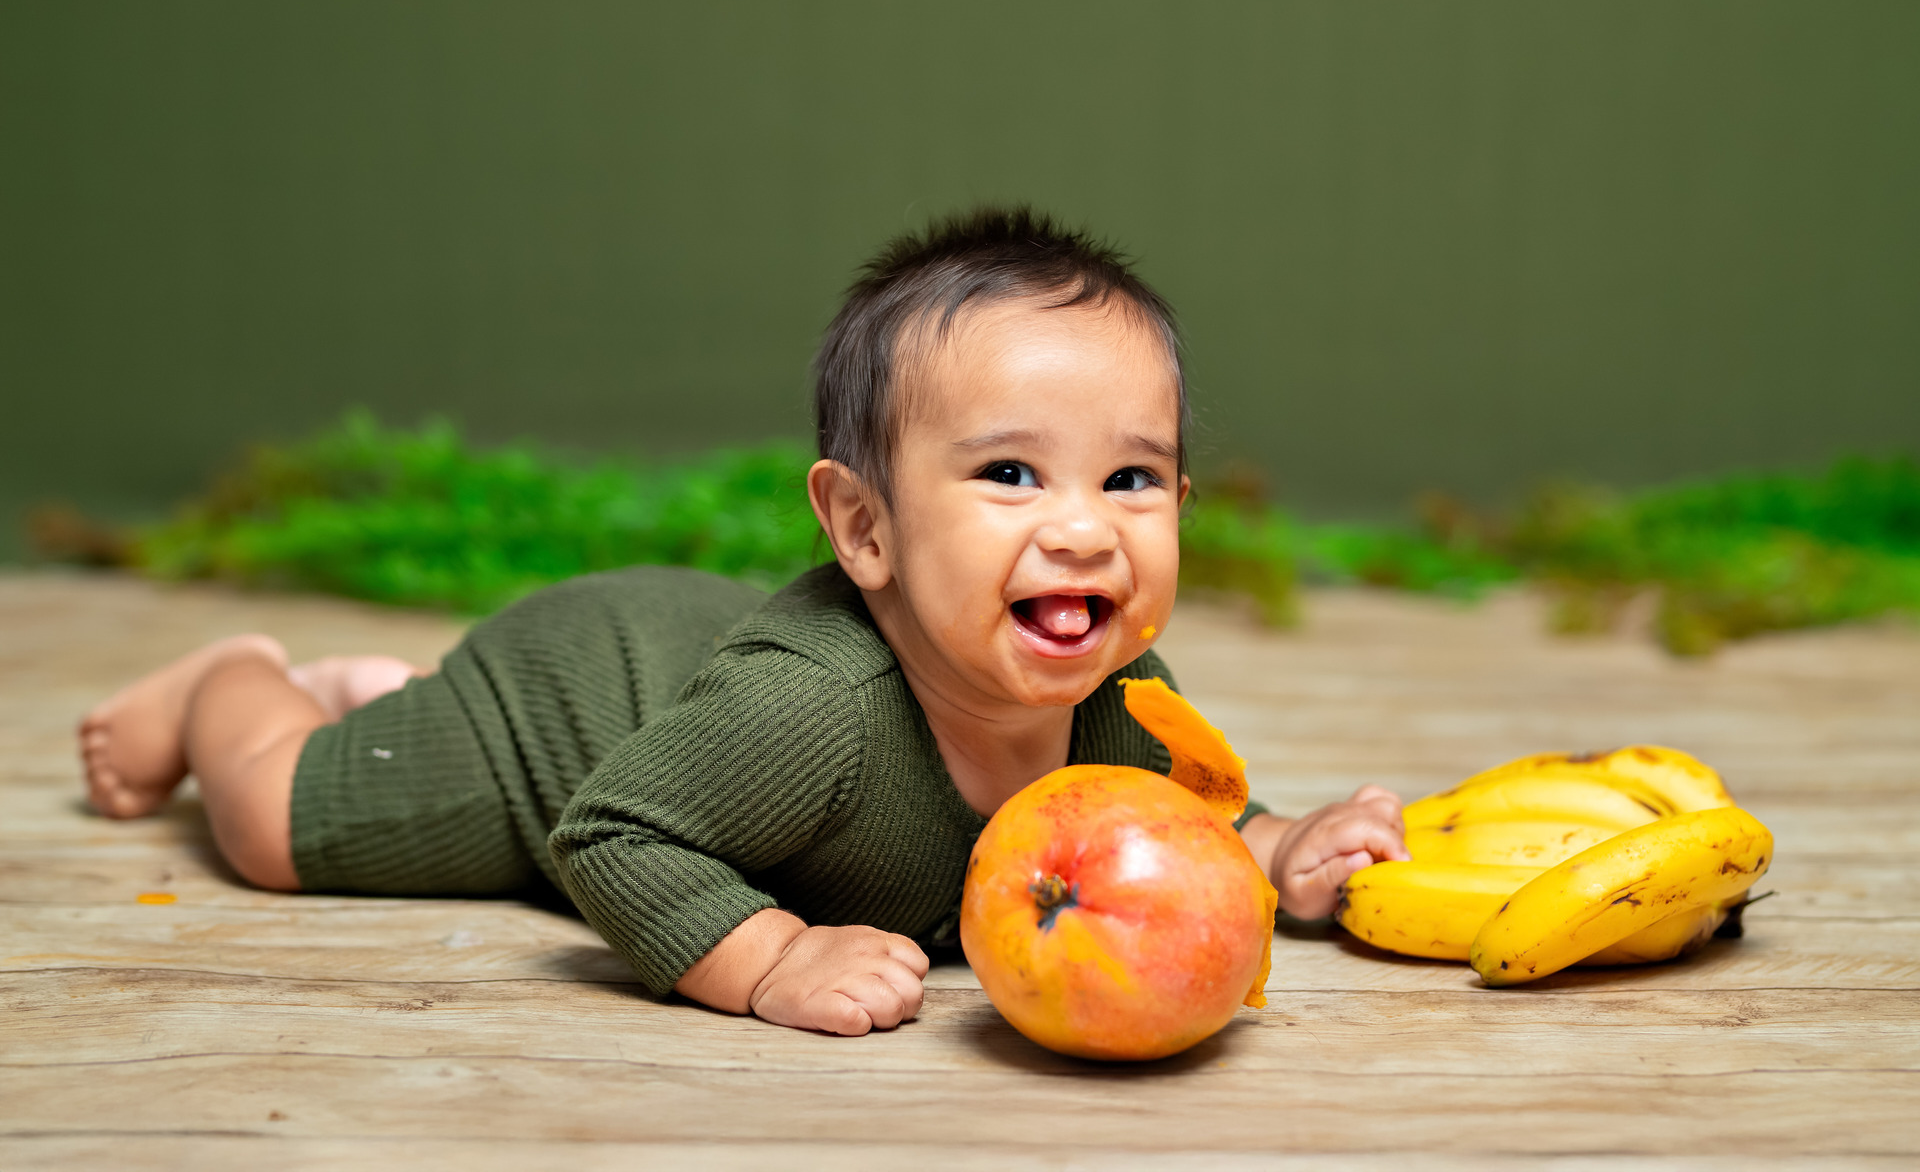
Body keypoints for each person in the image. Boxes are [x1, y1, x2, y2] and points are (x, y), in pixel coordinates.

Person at [78, 207, 1408, 1036]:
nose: (1082, 528)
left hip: (687, 700)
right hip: (561, 716)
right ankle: (234, 685)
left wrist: (1278, 844)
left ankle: (376, 685)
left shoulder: (1116, 676)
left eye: (1129, 479)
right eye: (1010, 473)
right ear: (865, 530)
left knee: (696, 752)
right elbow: (610, 830)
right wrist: (770, 958)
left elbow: (1167, 812)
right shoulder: (808, 711)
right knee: (269, 830)